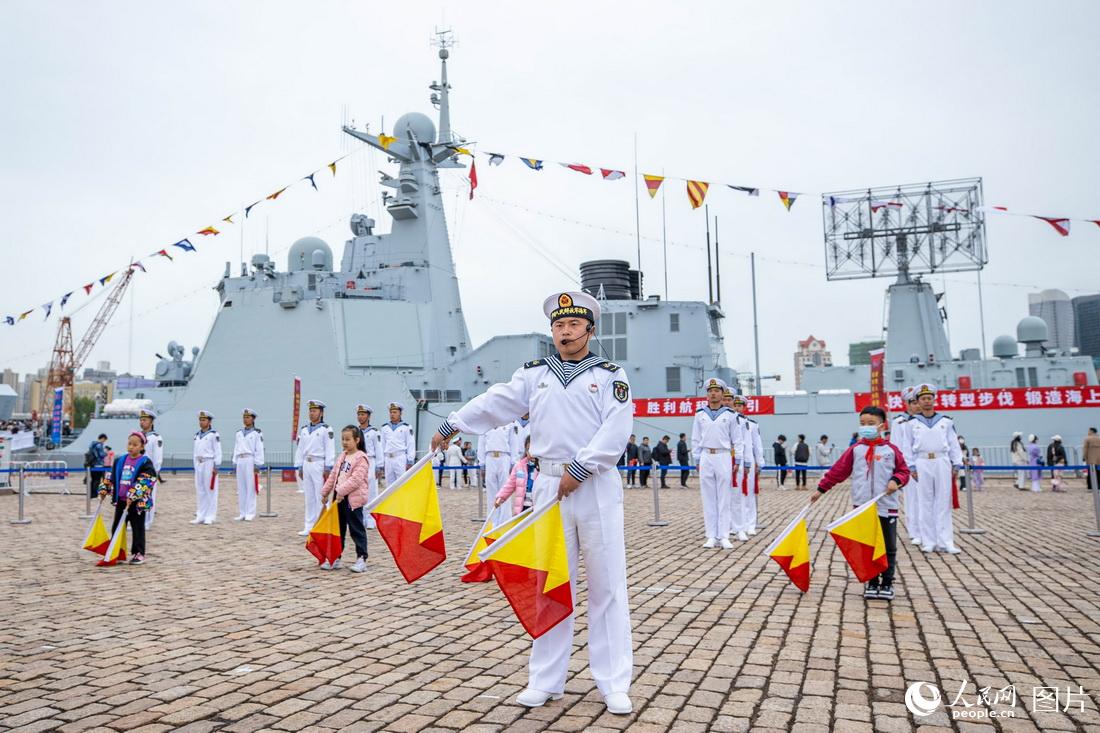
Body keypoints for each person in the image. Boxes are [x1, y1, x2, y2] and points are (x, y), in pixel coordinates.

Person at [431, 290, 635, 715]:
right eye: (559, 325)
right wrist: (453, 423)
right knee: (549, 583)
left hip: (592, 484)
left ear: (589, 330)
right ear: (552, 331)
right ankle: (545, 679)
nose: (566, 331)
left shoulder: (612, 376)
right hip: (547, 484)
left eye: (574, 325)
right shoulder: (534, 375)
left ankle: (613, 681)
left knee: (606, 585)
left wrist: (579, 470)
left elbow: (616, 431)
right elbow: (497, 401)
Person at [811, 405, 909, 600]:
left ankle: (887, 582)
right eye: (862, 424)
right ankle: (871, 581)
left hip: (886, 506)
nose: (866, 427)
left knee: (889, 547)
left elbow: (903, 471)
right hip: (862, 507)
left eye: (871, 424)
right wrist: (821, 489)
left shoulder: (891, 450)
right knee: (867, 546)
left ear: (882, 425)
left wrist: (895, 481)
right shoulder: (855, 450)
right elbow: (838, 471)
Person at [907, 384, 963, 554]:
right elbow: (906, 446)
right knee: (925, 502)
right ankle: (929, 541)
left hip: (941, 460)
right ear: (917, 401)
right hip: (922, 461)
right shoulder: (912, 423)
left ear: (934, 400)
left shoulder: (946, 421)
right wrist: (911, 466)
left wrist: (956, 463)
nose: (926, 401)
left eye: (929, 398)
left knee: (943, 501)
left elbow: (953, 443)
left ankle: (946, 541)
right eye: (923, 399)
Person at [692, 378, 742, 550]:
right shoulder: (700, 414)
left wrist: (739, 460)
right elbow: (695, 438)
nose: (713, 393)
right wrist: (697, 458)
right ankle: (711, 536)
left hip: (723, 455)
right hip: (706, 454)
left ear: (722, 393)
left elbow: (737, 439)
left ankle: (724, 536)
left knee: (724, 497)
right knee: (708, 498)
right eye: (710, 391)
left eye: (716, 391)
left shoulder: (731, 415)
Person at [98, 431, 158, 565]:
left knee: (138, 528)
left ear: (142, 447)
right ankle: (117, 550)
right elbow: (111, 477)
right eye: (130, 444)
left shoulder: (145, 462)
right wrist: (104, 489)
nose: (131, 447)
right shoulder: (120, 460)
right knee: (117, 527)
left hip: (136, 504)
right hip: (121, 501)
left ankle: (139, 553)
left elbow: (147, 480)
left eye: (135, 445)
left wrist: (133, 494)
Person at [319, 425, 371, 573]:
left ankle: (361, 558)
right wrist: (325, 492)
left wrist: (341, 491)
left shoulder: (361, 458)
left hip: (352, 500)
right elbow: (333, 476)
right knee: (338, 529)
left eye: (348, 439)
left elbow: (356, 480)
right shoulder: (342, 456)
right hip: (338, 499)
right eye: (343, 439)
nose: (344, 442)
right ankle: (336, 557)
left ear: (357, 440)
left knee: (356, 529)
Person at [294, 400, 335, 537]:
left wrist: (328, 466)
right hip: (307, 463)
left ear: (321, 412)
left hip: (319, 463)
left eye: (315, 411)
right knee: (309, 496)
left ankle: (323, 524)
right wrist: (299, 465)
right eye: (310, 411)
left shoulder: (326, 429)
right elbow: (300, 449)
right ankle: (309, 525)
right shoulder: (304, 430)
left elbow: (330, 449)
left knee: (321, 495)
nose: (312, 413)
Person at [892, 388, 922, 546]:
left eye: (919, 402)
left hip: (926, 463)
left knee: (930, 498)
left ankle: (929, 530)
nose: (917, 405)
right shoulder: (899, 422)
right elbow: (896, 446)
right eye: (914, 402)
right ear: (907, 403)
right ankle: (915, 531)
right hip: (908, 466)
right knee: (913, 499)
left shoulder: (926, 421)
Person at [732, 394, 763, 539]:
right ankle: (737, 524)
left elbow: (757, 445)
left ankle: (750, 524)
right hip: (734, 459)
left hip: (748, 459)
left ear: (744, 407)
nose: (737, 408)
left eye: (740, 405)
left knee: (749, 493)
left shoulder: (752, 424)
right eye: (735, 405)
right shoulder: (730, 421)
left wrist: (759, 462)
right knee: (735, 494)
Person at [232, 409, 265, 522]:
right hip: (240, 459)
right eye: (244, 417)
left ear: (253, 419)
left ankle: (250, 513)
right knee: (241, 488)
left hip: (250, 459)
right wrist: (234, 462)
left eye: (248, 417)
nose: (245, 419)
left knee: (251, 487)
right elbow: (236, 448)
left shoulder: (257, 433)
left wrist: (258, 464)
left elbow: (259, 449)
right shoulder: (239, 433)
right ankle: (242, 512)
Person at [355, 404, 384, 528]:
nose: (360, 417)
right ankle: (360, 518)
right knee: (358, 491)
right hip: (357, 462)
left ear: (368, 416)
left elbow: (379, 449)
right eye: (359, 414)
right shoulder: (355, 431)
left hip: (370, 461)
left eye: (363, 414)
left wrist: (379, 466)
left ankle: (371, 519)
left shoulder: (374, 432)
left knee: (371, 491)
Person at [495, 435, 538, 517]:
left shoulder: (543, 468)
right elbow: (510, 484)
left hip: (537, 508)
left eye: (535, 449)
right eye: (529, 449)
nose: (532, 453)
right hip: (522, 507)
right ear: (526, 450)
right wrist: (501, 496)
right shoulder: (519, 466)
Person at [192, 410, 222, 525]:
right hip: (199, 463)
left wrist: (216, 465)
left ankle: (210, 515)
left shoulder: (214, 434)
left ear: (209, 421)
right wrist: (195, 465)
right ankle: (201, 515)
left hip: (209, 463)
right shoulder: (197, 435)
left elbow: (217, 451)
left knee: (210, 489)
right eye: (200, 420)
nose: (201, 422)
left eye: (203, 420)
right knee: (200, 490)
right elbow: (195, 452)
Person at [479, 423, 516, 514]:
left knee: (505, 490)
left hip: (504, 457)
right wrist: (482, 464)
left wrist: (513, 462)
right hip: (490, 458)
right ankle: (492, 521)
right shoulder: (485, 423)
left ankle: (505, 520)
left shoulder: (510, 423)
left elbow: (513, 443)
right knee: (491, 491)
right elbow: (481, 444)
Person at [138, 408, 164, 530]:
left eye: (144, 420)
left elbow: (158, 458)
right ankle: (138, 521)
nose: (142, 422)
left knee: (149, 497)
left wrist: (155, 473)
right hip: (138, 470)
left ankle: (147, 522)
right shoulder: (138, 437)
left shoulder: (155, 438)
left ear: (151, 422)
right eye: (141, 420)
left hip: (149, 472)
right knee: (138, 496)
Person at [380, 402, 415, 486]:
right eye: (391, 412)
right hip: (388, 458)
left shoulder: (406, 427)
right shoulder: (384, 428)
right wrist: (382, 461)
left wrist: (410, 461)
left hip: (400, 458)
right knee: (389, 485)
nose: (392, 414)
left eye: (395, 412)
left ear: (400, 413)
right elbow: (382, 445)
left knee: (402, 483)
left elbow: (411, 444)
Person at [86, 433, 109, 499]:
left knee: (93, 479)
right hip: (98, 465)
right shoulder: (99, 445)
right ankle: (94, 494)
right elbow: (101, 455)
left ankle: (90, 494)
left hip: (92, 465)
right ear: (103, 438)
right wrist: (106, 452)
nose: (104, 442)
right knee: (97, 480)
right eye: (104, 440)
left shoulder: (92, 444)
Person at [1084, 427, 1100, 492]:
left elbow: (1085, 449)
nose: (1088, 432)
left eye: (1089, 431)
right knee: (1099, 473)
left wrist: (1084, 457)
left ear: (1091, 431)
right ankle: (1098, 486)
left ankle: (1090, 487)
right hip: (1099, 460)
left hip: (1091, 459)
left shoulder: (1087, 439)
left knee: (1090, 474)